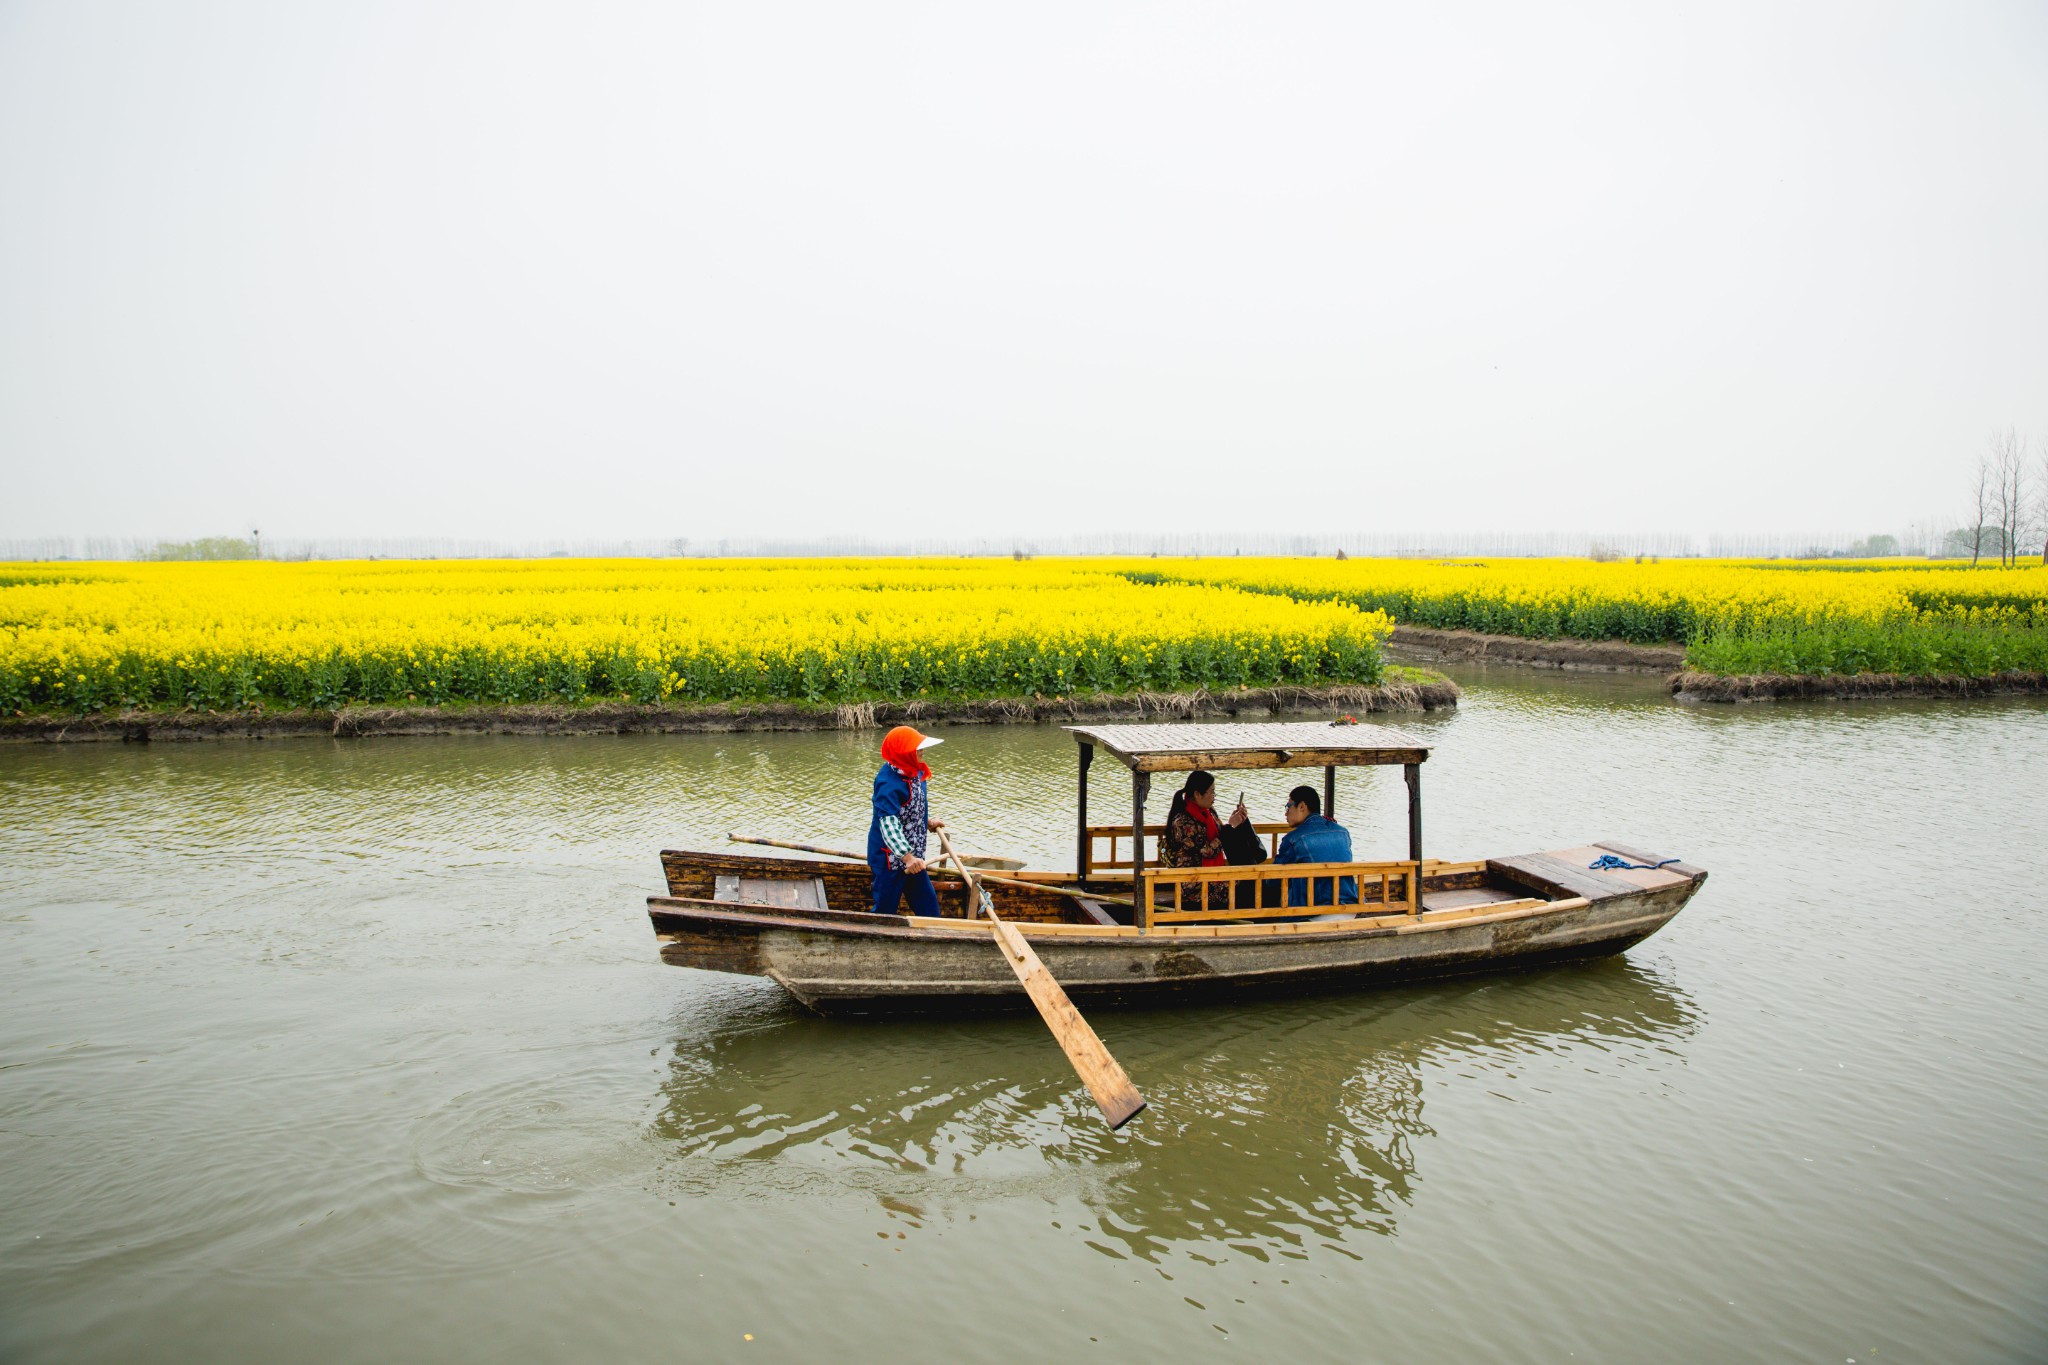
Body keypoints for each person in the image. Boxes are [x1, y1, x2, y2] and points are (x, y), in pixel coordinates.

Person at [867, 725, 947, 916]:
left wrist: (925, 821)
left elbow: (911, 807)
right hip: (891, 859)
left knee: (929, 908)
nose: (922, 752)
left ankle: (933, 938)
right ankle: (875, 940)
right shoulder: (888, 783)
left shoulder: (914, 771)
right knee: (886, 908)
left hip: (914, 859)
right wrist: (907, 857)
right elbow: (888, 823)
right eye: (917, 748)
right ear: (904, 753)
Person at [1161, 770, 1256, 909]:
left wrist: (1237, 821)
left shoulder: (1208, 812)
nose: (1214, 797)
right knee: (1246, 885)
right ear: (1197, 794)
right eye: (1211, 792)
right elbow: (1208, 851)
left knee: (1249, 880)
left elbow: (1221, 833)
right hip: (1194, 881)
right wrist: (1231, 826)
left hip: (1210, 874)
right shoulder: (1182, 822)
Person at [1272, 785, 1359, 909]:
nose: (1286, 813)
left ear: (1302, 806)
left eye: (1288, 807)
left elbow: (1273, 880)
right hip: (1350, 905)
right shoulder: (1343, 832)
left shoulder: (1293, 839)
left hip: (1313, 910)